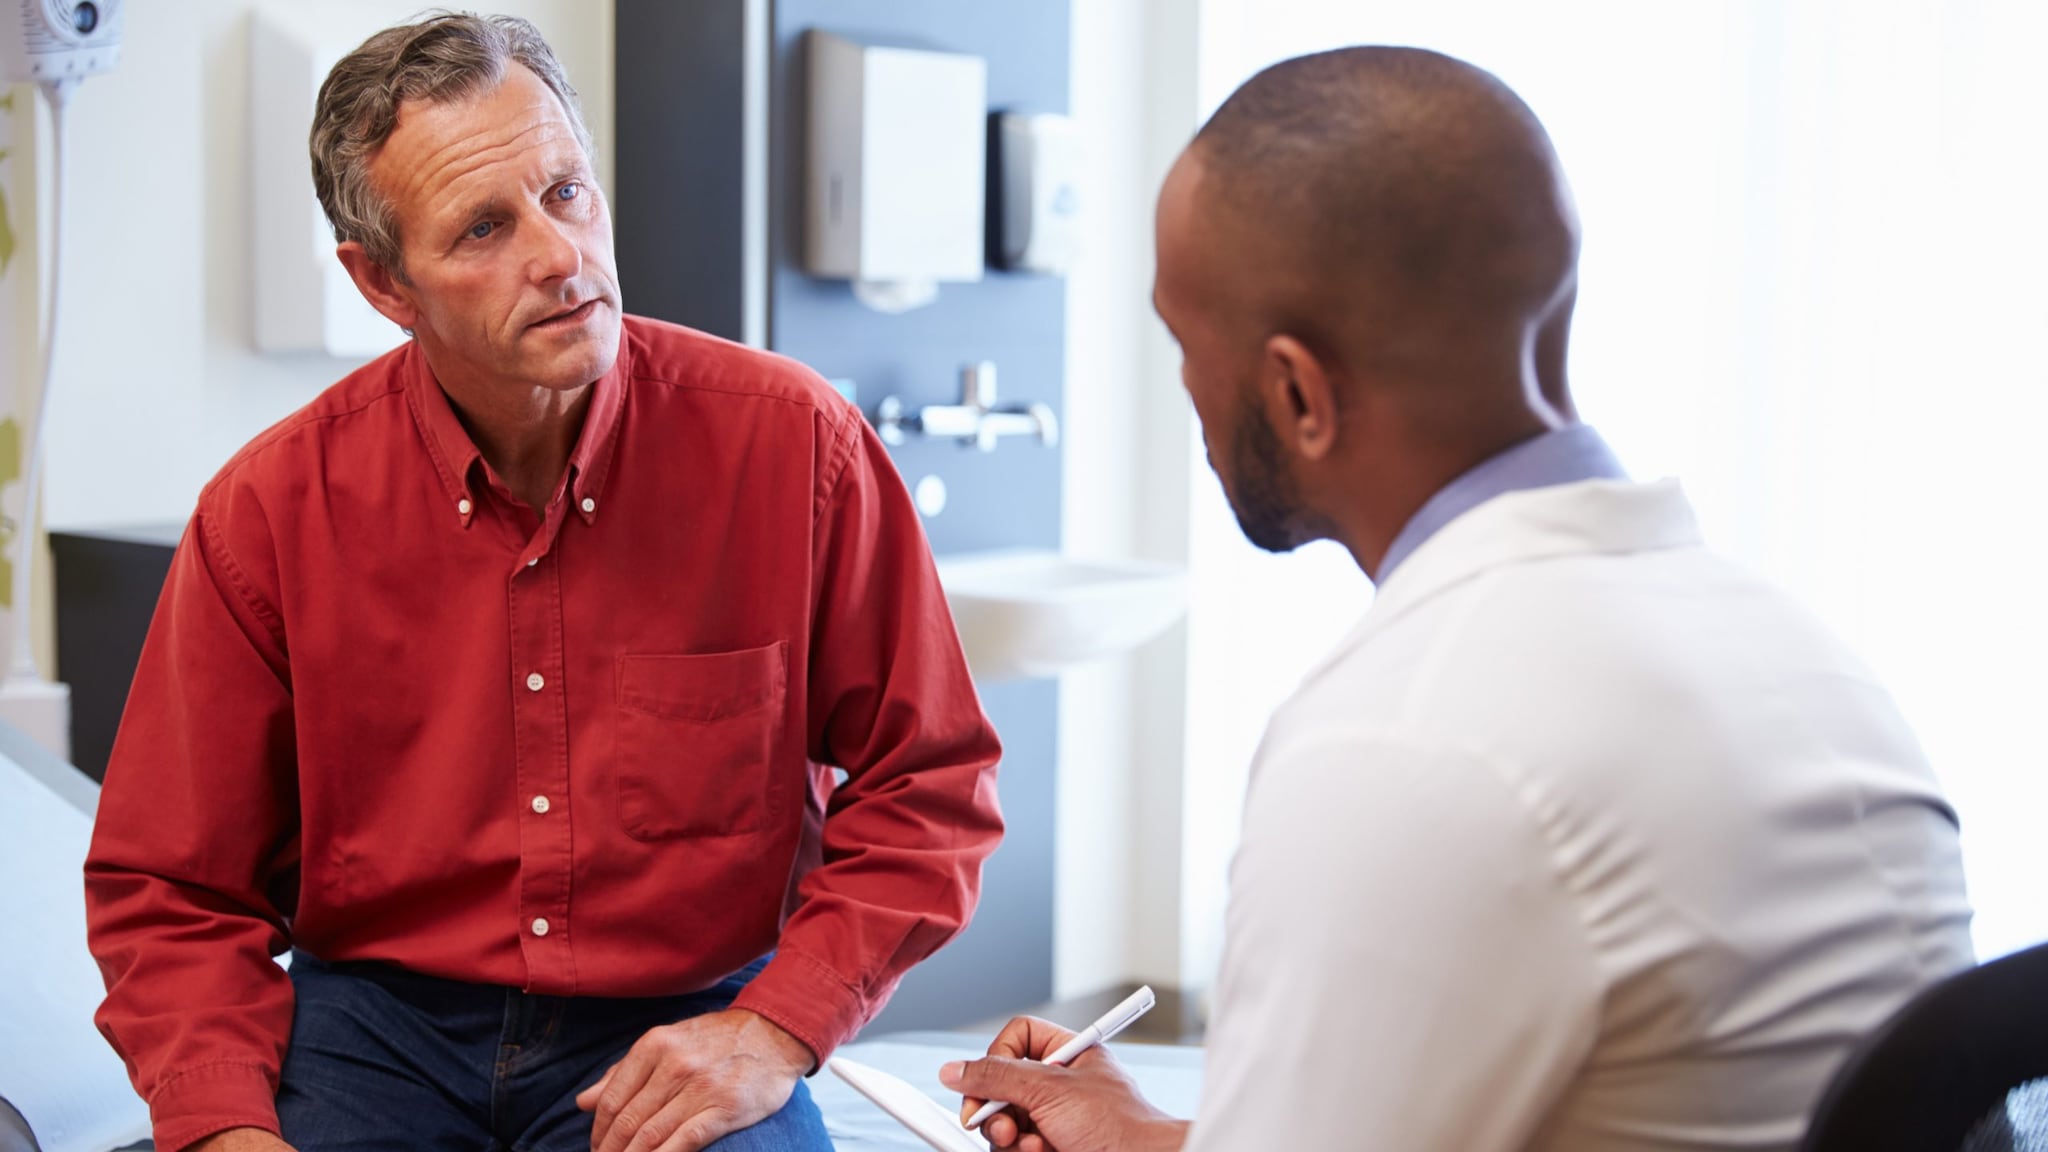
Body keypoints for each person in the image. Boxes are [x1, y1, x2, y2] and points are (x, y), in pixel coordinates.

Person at [941, 45, 1974, 1152]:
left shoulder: (1407, 737)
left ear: (1295, 393)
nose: (1185, 391)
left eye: (1185, 343)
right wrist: (1146, 1139)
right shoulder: (1794, 658)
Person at [84, 14, 1003, 1152]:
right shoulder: (269, 513)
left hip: (680, 1010)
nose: (559, 254)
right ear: (383, 284)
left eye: (566, 193)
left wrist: (775, 1029)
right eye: (483, 227)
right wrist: (223, 1126)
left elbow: (931, 780)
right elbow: (170, 889)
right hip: (374, 1029)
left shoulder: (795, 448)